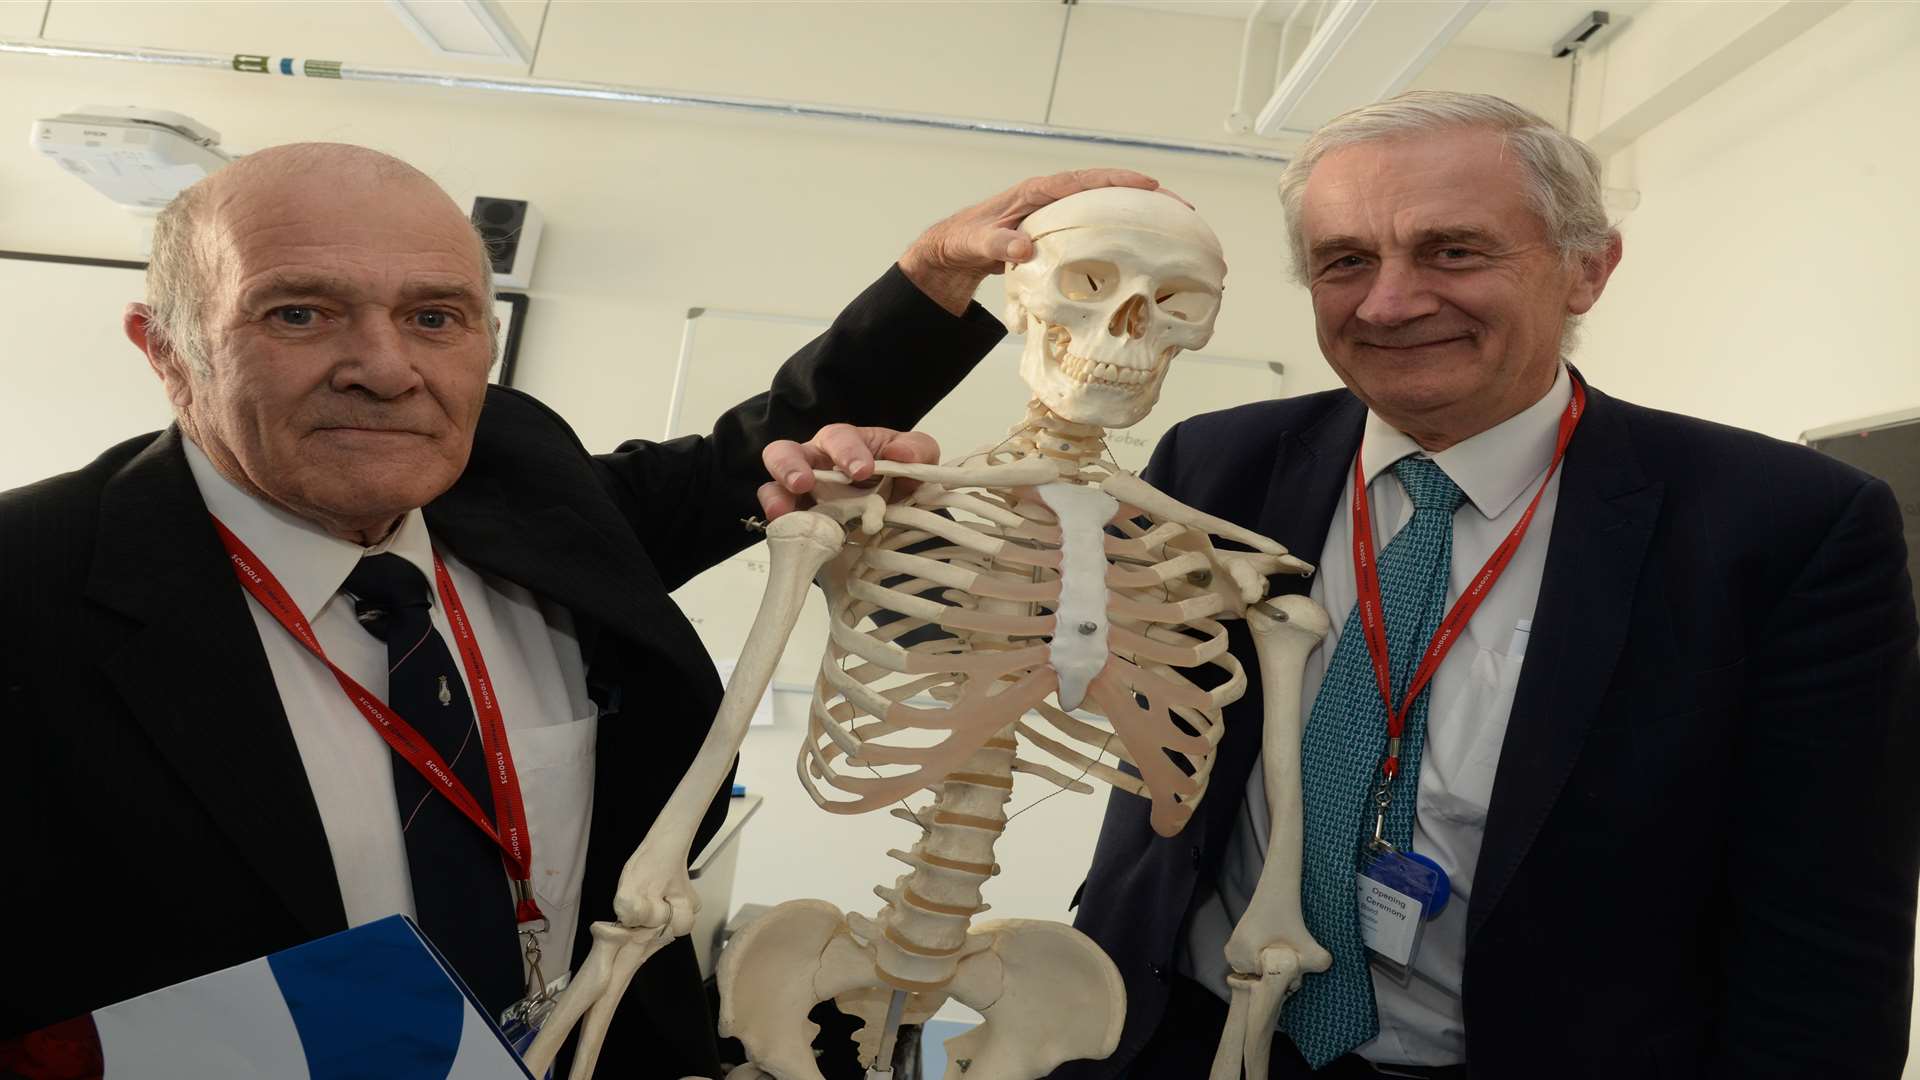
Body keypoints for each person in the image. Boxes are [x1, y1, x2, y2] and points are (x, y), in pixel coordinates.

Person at [0, 141, 1153, 1077]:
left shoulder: (515, 476)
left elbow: (732, 465)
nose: (385, 367)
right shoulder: (31, 585)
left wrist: (931, 287)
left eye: (437, 318)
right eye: (300, 315)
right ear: (167, 349)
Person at [1062, 91, 1920, 1080]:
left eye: (1453, 251)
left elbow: (1825, 936)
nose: (1387, 302)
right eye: (1346, 261)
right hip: (1183, 1037)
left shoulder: (1781, 527)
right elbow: (993, 643)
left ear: (1587, 269)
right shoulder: (1219, 464)